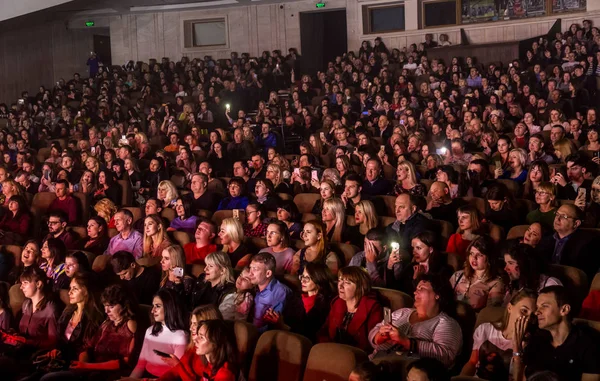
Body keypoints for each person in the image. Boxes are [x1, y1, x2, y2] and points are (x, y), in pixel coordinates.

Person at [39, 284, 138, 381]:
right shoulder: (107, 323)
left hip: (111, 374)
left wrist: (87, 366)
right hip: (92, 369)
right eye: (105, 306)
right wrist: (81, 364)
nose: (106, 311)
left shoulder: (130, 324)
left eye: (111, 307)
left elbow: (125, 362)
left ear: (124, 306)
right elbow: (87, 346)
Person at [370, 274, 462, 367]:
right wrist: (380, 337)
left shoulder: (446, 323)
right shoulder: (402, 312)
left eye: (421, 288)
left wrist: (406, 342)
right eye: (416, 289)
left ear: (437, 295)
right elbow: (374, 332)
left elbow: (446, 356)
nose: (415, 292)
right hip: (377, 363)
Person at [516, 286, 600, 381]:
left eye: (544, 306)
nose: (537, 312)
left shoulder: (587, 343)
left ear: (564, 310)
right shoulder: (536, 342)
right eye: (537, 307)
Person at [461, 289, 538, 381]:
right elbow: (472, 362)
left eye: (532, 316)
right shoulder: (486, 329)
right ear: (509, 307)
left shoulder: (530, 344)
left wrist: (517, 347)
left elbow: (520, 378)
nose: (527, 319)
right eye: (524, 311)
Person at [318, 266, 383, 353]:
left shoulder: (372, 307)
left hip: (358, 357)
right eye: (340, 280)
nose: (340, 286)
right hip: (331, 353)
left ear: (360, 287)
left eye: (347, 283)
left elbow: (372, 343)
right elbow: (324, 331)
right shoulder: (337, 302)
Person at [128, 289, 188, 379]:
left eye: (157, 306)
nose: (152, 311)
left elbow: (177, 374)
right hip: (146, 377)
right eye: (153, 306)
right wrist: (130, 380)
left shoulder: (180, 336)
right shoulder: (149, 331)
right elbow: (140, 365)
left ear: (169, 307)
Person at [158, 319, 239, 381]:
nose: (195, 340)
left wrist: (178, 365)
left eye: (201, 337)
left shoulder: (224, 373)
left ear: (216, 343)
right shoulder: (207, 364)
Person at [537, 203, 600, 280]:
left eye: (564, 216)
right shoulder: (546, 239)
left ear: (576, 223)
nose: (557, 219)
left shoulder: (587, 244)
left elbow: (582, 276)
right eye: (557, 214)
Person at [250, 252, 303, 332]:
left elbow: (272, 325)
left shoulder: (280, 292)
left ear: (268, 273)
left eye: (255, 269)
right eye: (250, 268)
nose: (250, 273)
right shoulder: (253, 285)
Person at [450, 236, 505, 311]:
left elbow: (491, 313)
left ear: (489, 258)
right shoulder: (458, 275)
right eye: (471, 253)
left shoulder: (496, 283)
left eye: (479, 255)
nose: (474, 258)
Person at [189, 251, 236, 316]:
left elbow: (221, 317)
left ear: (222, 270)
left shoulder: (228, 291)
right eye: (206, 265)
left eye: (210, 266)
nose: (205, 269)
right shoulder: (201, 280)